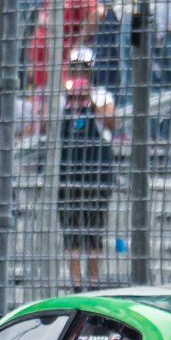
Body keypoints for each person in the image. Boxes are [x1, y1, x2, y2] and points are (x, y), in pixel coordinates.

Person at [58, 53, 117, 288]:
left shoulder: (102, 96)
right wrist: (69, 97)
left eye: (83, 69)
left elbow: (112, 121)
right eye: (74, 68)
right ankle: (75, 281)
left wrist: (89, 99)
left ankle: (92, 280)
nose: (78, 73)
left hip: (96, 174)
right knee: (70, 229)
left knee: (94, 228)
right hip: (67, 173)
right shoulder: (62, 97)